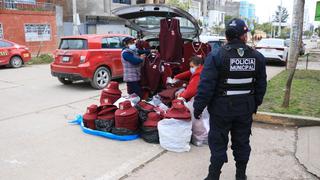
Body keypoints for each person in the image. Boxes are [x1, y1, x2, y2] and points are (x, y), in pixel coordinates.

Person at [193, 18, 267, 180]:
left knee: (218, 143)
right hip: (245, 109)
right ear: (243, 36)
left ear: (227, 36)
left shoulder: (216, 56)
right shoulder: (257, 57)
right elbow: (261, 86)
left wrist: (198, 108)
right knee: (242, 142)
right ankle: (241, 175)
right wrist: (254, 104)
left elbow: (206, 86)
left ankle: (213, 176)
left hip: (221, 110)